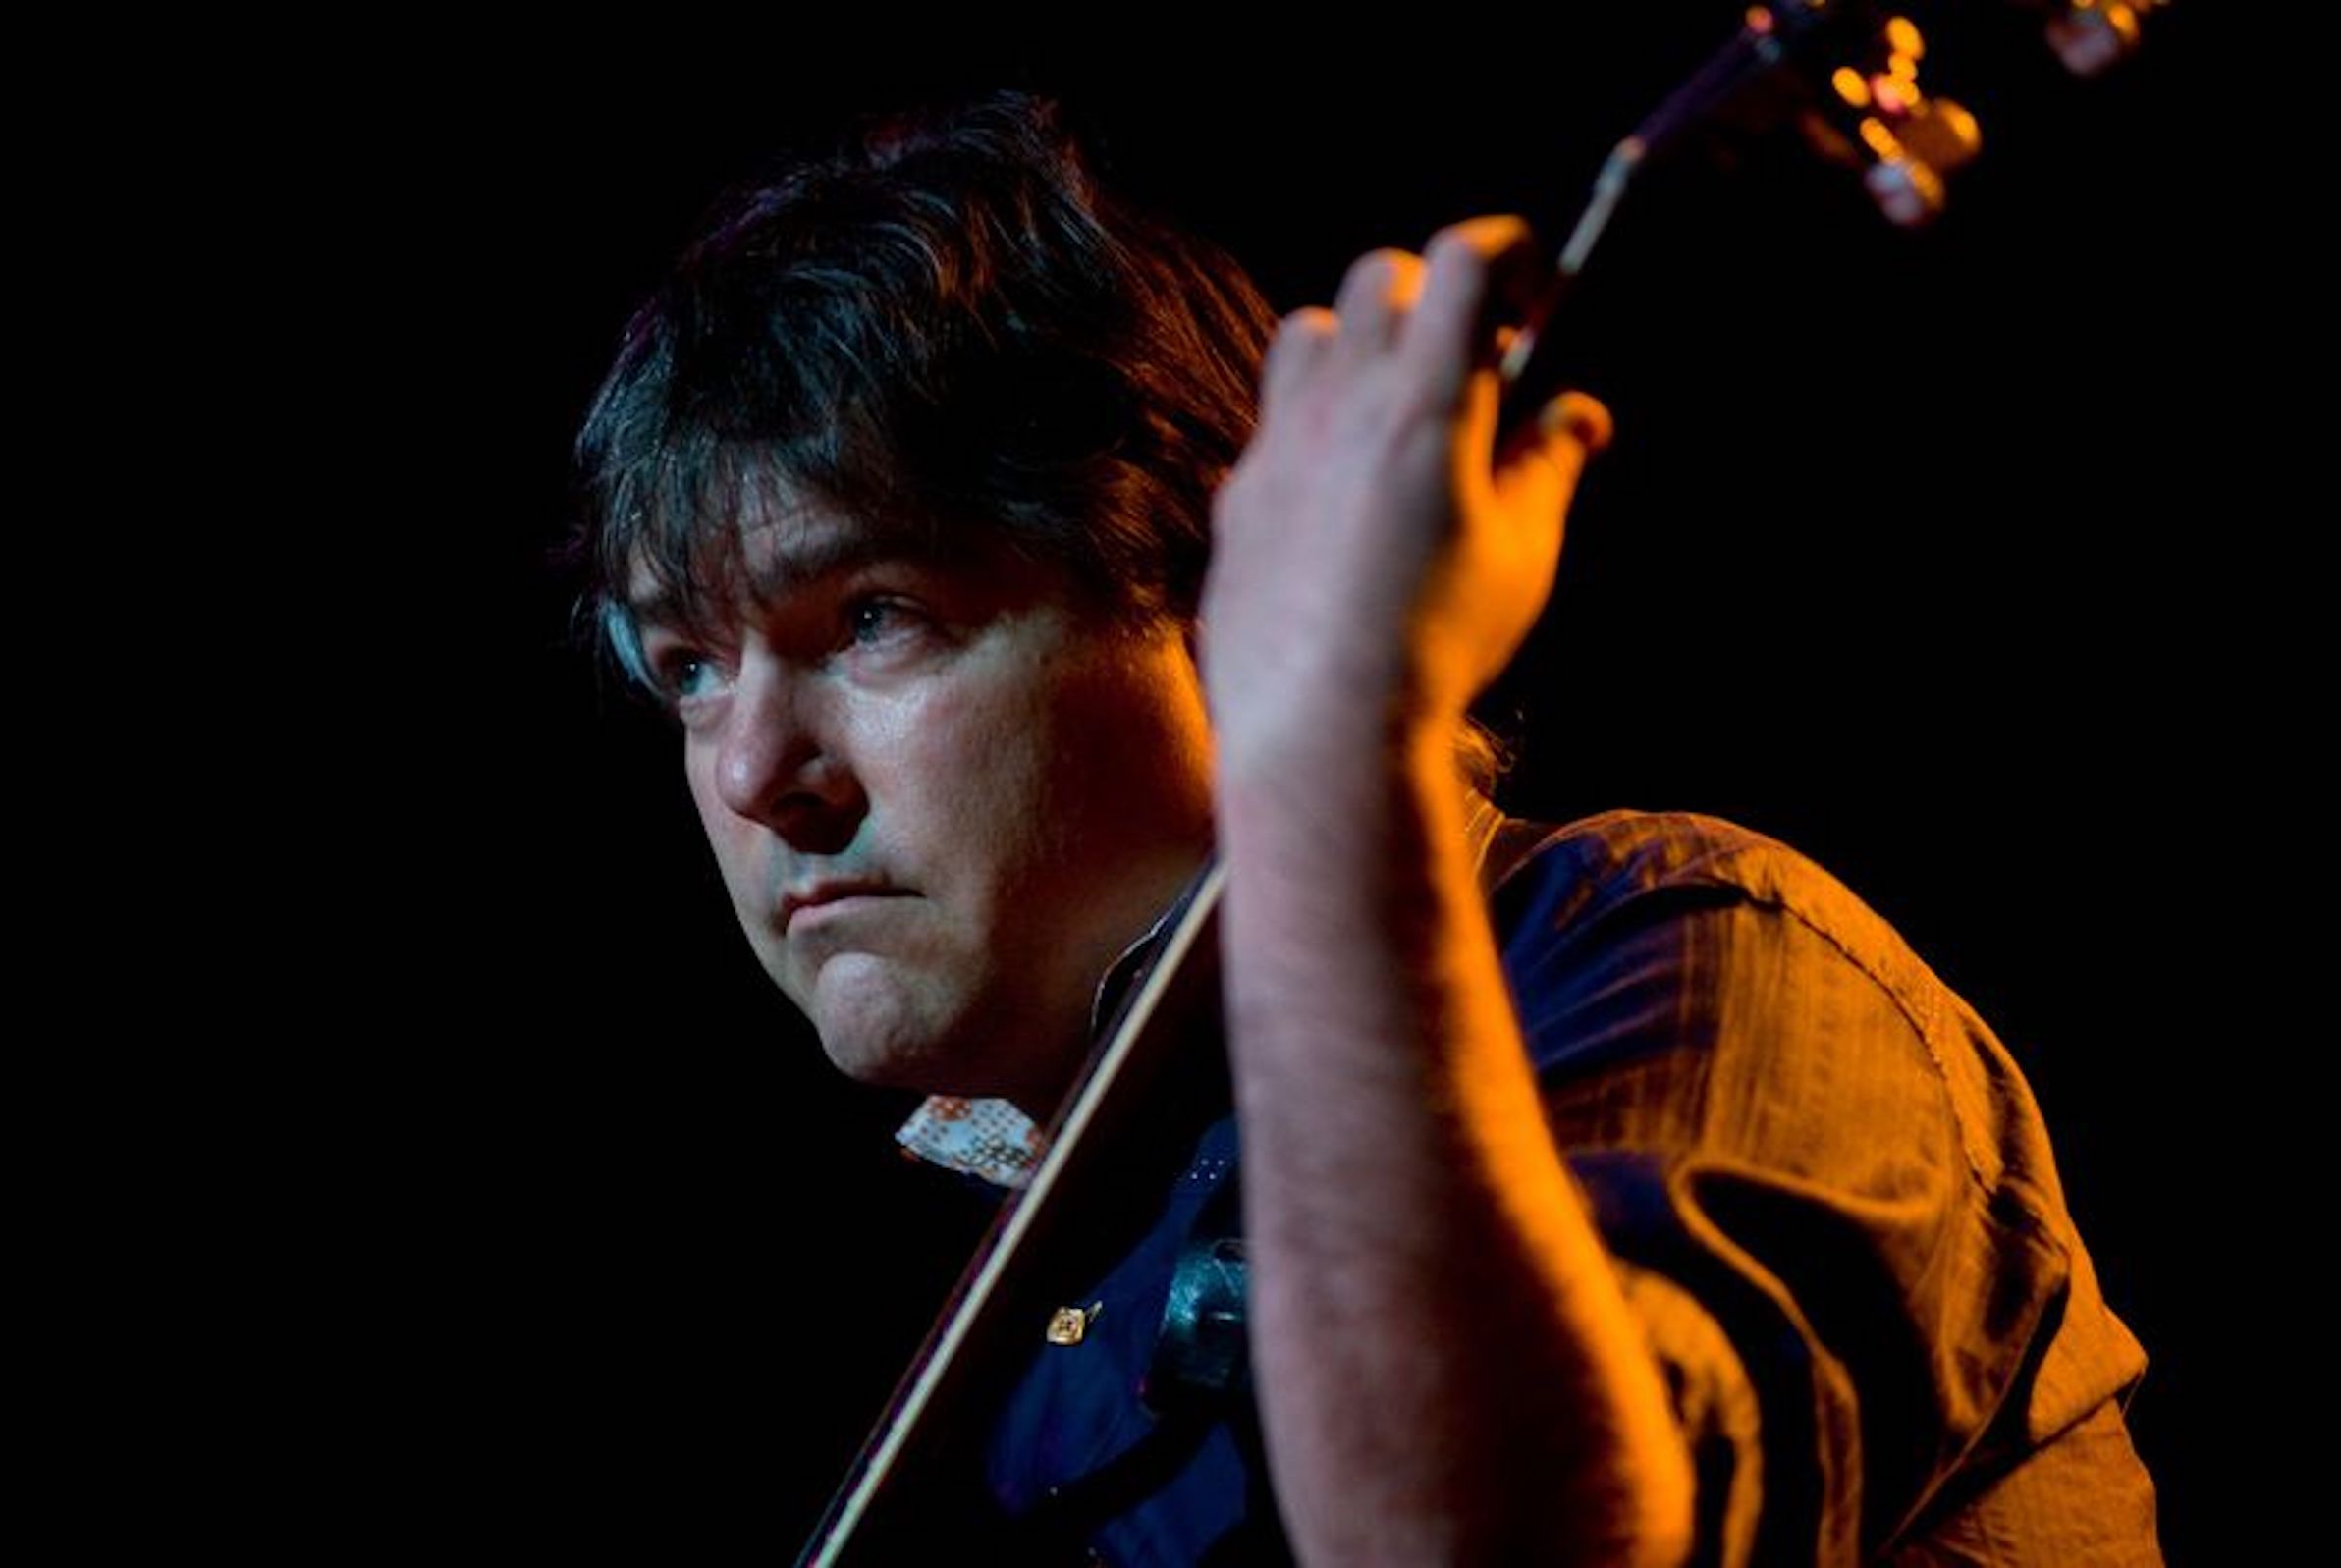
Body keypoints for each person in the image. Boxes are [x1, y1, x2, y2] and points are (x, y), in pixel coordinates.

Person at [570, 90, 2161, 1566]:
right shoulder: (1023, 1294)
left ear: (1207, 592)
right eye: (691, 668)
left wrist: (1331, 742)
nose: (753, 770)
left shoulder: (1678, 952)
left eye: (872, 616)